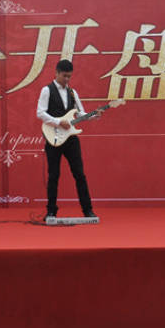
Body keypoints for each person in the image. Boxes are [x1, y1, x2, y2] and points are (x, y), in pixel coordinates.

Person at [36, 59, 97, 220]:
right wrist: (58, 122)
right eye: (64, 76)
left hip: (71, 138)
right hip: (54, 137)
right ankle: (51, 211)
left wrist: (93, 116)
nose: (67, 79)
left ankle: (88, 210)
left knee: (79, 174)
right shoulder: (47, 90)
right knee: (53, 175)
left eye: (69, 76)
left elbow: (80, 113)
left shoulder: (72, 92)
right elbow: (40, 113)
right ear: (56, 73)